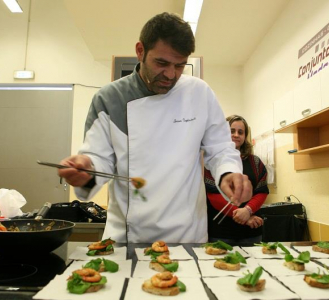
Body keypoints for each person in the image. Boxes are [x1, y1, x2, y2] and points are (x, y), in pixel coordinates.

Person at [58, 12, 252, 243]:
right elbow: (99, 160)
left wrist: (229, 173)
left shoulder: (199, 93)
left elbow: (220, 148)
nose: (171, 74)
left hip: (187, 234)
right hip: (129, 238)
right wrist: (85, 168)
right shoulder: (109, 99)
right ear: (140, 51)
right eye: (161, 63)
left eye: (180, 65)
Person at [204, 115, 269, 245]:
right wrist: (245, 218)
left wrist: (248, 210)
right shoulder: (212, 163)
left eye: (241, 132)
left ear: (245, 136)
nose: (236, 135)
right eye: (231, 131)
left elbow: (261, 191)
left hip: (252, 231)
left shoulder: (255, 162)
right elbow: (213, 195)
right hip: (221, 233)